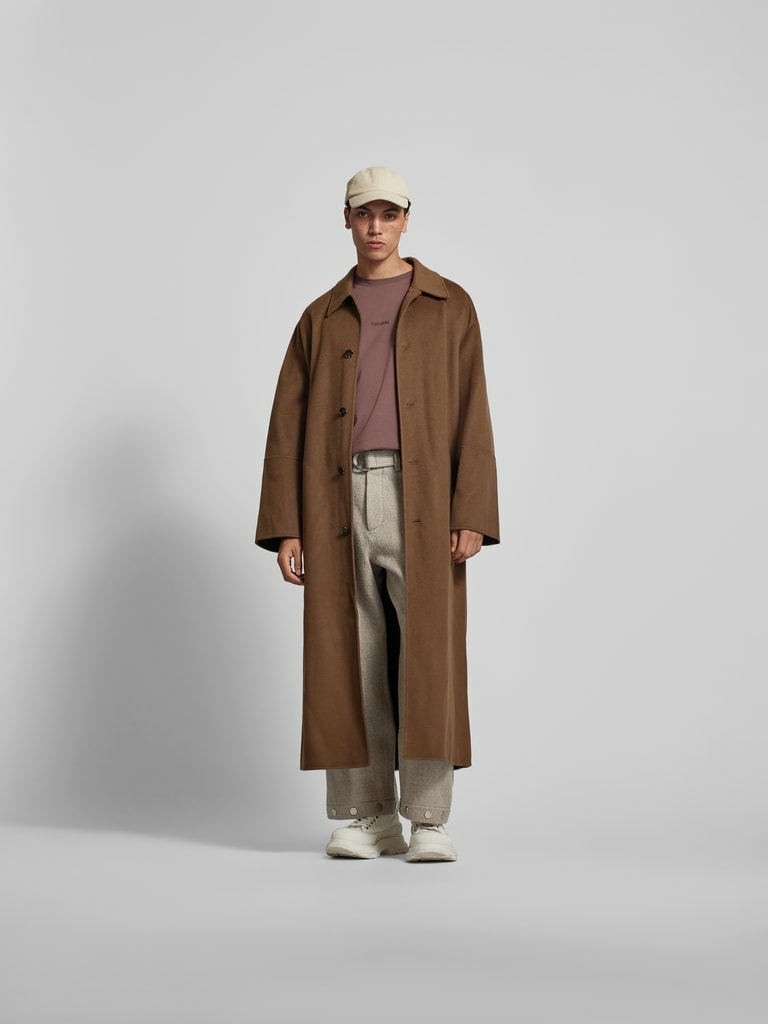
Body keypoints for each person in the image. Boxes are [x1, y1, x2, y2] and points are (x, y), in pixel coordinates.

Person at [255, 166, 499, 861]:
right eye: (364, 214)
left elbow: (472, 409)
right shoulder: (321, 315)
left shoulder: (450, 304)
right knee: (349, 653)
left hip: (424, 496)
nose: (375, 227)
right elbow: (286, 424)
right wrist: (288, 524)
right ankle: (366, 815)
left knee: (427, 655)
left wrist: (471, 508)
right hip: (336, 495)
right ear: (346, 219)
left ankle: (427, 818)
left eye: (389, 214)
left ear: (406, 220)